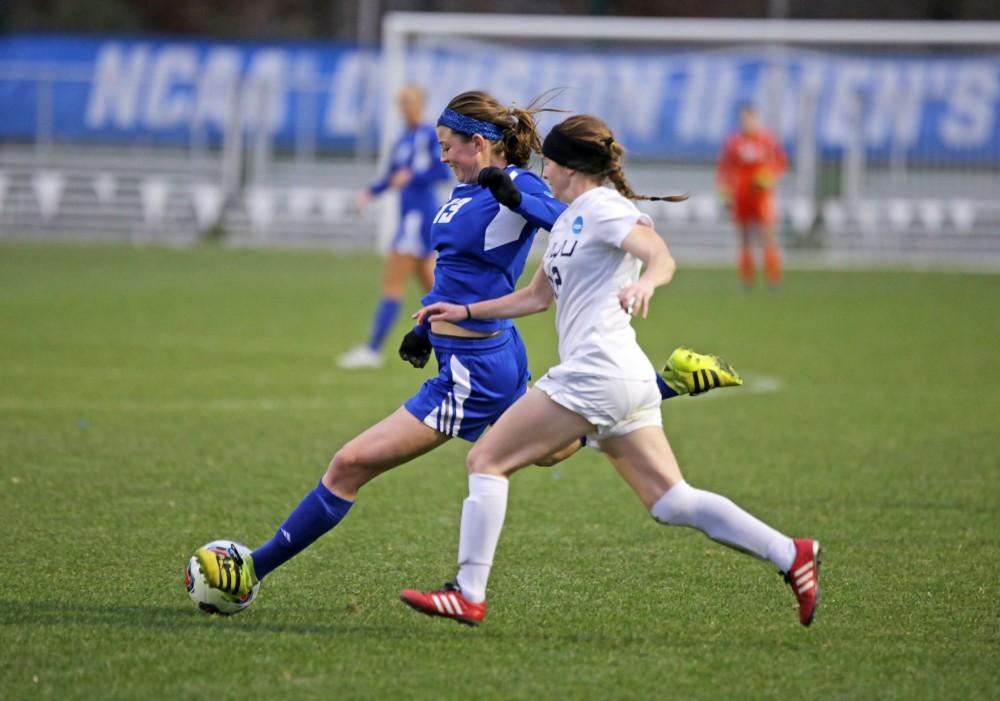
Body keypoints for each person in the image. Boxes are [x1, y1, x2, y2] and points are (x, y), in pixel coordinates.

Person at [193, 91, 739, 604]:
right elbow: (460, 269)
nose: (444, 156)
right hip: (476, 354)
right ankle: (666, 384)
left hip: (474, 371)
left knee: (349, 464)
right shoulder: (466, 190)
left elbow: (581, 222)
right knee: (549, 449)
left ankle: (250, 571)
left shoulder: (518, 185)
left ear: (477, 143)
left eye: (447, 146)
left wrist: (623, 261)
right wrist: (428, 326)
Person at [400, 114, 821, 628]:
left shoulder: (603, 208)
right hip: (620, 375)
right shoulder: (568, 221)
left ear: (568, 166)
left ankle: (468, 593)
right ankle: (791, 554)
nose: (543, 173)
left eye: (549, 163)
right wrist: (461, 312)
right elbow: (536, 298)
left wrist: (648, 284)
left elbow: (659, 255)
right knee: (671, 502)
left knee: (487, 460)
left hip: (595, 372)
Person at [338, 85, 452, 369]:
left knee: (393, 283)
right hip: (410, 218)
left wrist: (413, 175)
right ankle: (460, 343)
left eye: (410, 102)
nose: (405, 107)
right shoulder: (402, 139)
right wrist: (370, 193)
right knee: (436, 290)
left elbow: (442, 170)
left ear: (422, 104)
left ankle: (373, 349)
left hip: (419, 218)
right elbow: (392, 176)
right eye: (401, 102)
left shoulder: (429, 135)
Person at [717, 104, 788, 289]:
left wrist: (768, 178)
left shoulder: (767, 140)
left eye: (749, 118)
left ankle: (773, 278)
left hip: (761, 194)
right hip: (741, 192)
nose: (746, 122)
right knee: (744, 236)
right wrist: (725, 192)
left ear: (756, 119)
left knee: (767, 235)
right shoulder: (734, 142)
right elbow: (725, 168)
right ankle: (747, 279)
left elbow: (780, 163)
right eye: (743, 119)